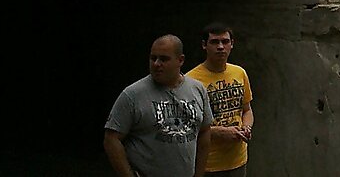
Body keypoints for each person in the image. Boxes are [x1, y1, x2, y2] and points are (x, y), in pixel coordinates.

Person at [104, 35, 213, 177]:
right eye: (153, 58)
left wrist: (199, 174)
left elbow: (205, 131)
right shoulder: (133, 95)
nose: (156, 64)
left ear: (180, 60)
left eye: (164, 59)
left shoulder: (197, 89)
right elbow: (111, 139)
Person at [187, 23, 254, 177]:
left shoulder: (239, 73)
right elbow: (187, 127)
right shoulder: (191, 81)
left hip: (238, 160)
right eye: (214, 42)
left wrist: (247, 128)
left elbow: (247, 110)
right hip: (208, 164)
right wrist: (219, 133)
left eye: (225, 41)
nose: (220, 47)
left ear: (232, 44)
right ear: (204, 45)